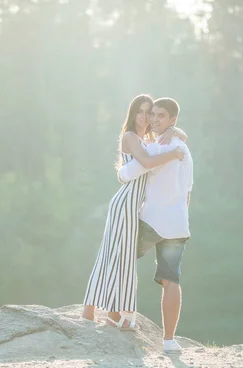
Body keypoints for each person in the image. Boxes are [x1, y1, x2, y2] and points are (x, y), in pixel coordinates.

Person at [82, 94, 187, 329]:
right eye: (140, 112)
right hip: (126, 203)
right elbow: (148, 163)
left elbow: (177, 138)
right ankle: (113, 314)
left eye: (149, 112)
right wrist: (173, 153)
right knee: (121, 257)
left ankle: (89, 310)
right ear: (132, 114)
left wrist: (175, 131)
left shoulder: (147, 138)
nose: (145, 117)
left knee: (112, 253)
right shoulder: (130, 136)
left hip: (133, 205)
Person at [117, 97, 193, 353]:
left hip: (152, 221)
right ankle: (169, 342)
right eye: (154, 115)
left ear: (172, 119)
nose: (154, 119)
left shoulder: (159, 148)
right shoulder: (184, 149)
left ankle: (118, 314)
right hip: (178, 225)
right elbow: (188, 192)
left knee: (120, 257)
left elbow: (129, 172)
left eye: (161, 116)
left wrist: (120, 173)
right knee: (171, 281)